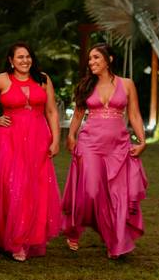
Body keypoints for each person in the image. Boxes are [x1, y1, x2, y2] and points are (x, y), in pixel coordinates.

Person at [62, 43, 147, 258]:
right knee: (91, 192)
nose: (91, 62)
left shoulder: (126, 84)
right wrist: (71, 135)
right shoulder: (86, 85)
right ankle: (75, 228)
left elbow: (134, 115)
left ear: (109, 59)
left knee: (117, 196)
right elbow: (78, 114)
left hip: (118, 146)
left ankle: (115, 242)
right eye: (90, 58)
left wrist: (142, 140)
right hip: (90, 144)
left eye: (96, 57)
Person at [0, 43, 61, 261]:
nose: (25, 60)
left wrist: (56, 139)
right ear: (11, 60)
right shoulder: (2, 80)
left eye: (28, 56)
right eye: (20, 57)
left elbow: (51, 111)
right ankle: (15, 241)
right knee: (14, 187)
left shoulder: (43, 79)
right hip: (10, 140)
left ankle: (31, 236)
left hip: (38, 139)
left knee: (35, 188)